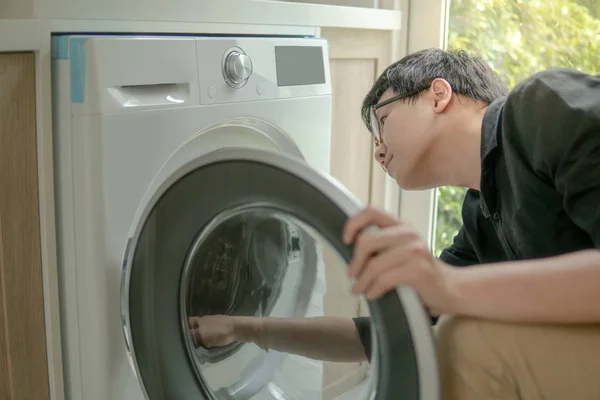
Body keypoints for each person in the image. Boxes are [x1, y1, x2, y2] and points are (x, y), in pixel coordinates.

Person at [188, 48, 600, 400]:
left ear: (438, 94)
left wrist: (449, 288)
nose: (378, 152)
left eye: (382, 123)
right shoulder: (481, 219)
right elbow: (384, 333)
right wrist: (247, 326)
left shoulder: (541, 107)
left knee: (462, 340)